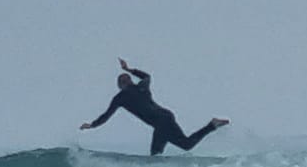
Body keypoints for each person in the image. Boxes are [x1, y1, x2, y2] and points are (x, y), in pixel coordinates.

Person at [81, 58, 228, 155]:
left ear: (120, 85)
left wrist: (92, 125)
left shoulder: (121, 98)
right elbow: (147, 76)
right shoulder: (141, 87)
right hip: (167, 116)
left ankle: (212, 125)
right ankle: (212, 125)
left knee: (157, 157)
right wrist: (129, 69)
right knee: (185, 145)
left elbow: (106, 115)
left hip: (160, 122)